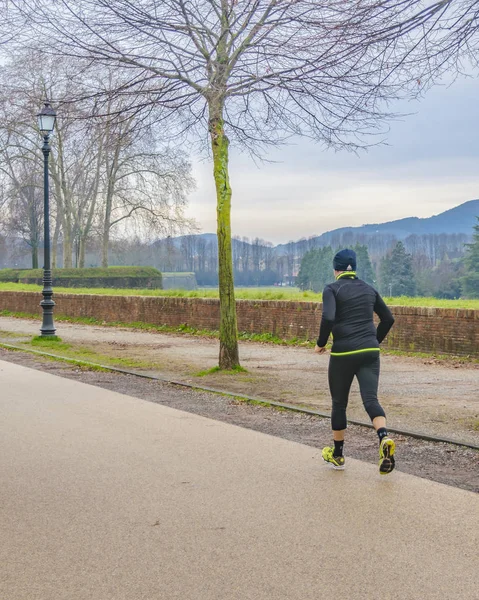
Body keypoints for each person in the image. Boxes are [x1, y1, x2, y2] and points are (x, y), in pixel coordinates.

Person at [315, 248, 396, 475]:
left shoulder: (332, 289)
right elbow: (388, 318)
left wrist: (321, 343)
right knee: (370, 398)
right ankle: (383, 437)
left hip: (343, 353)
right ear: (355, 268)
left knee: (339, 403)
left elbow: (329, 317)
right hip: (370, 351)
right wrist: (373, 341)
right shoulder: (369, 289)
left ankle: (338, 454)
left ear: (336, 269)